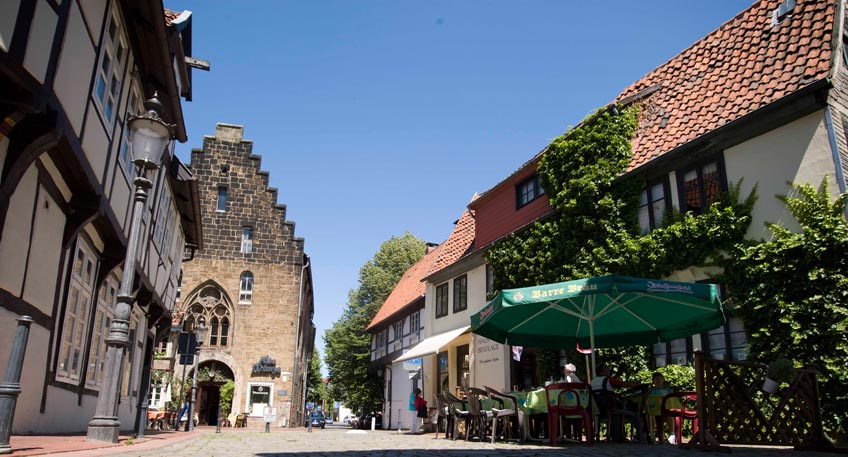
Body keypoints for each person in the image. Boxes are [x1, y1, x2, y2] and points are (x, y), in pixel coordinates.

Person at [647, 372, 677, 444]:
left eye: (660, 378)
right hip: (654, 410)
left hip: (665, 409)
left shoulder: (668, 390)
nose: (658, 380)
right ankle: (652, 434)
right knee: (651, 415)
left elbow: (672, 399)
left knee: (670, 414)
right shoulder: (650, 390)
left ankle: (672, 435)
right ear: (653, 381)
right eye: (656, 379)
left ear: (663, 380)